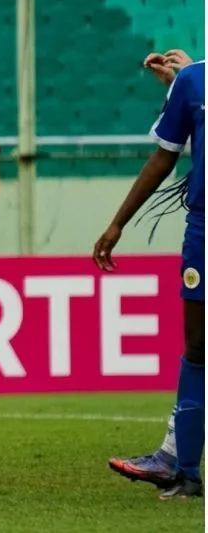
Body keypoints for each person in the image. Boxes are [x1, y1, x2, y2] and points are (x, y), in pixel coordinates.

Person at [94, 53, 204, 500]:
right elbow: (163, 158)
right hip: (204, 228)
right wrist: (118, 223)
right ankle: (183, 469)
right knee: (198, 346)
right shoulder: (194, 80)